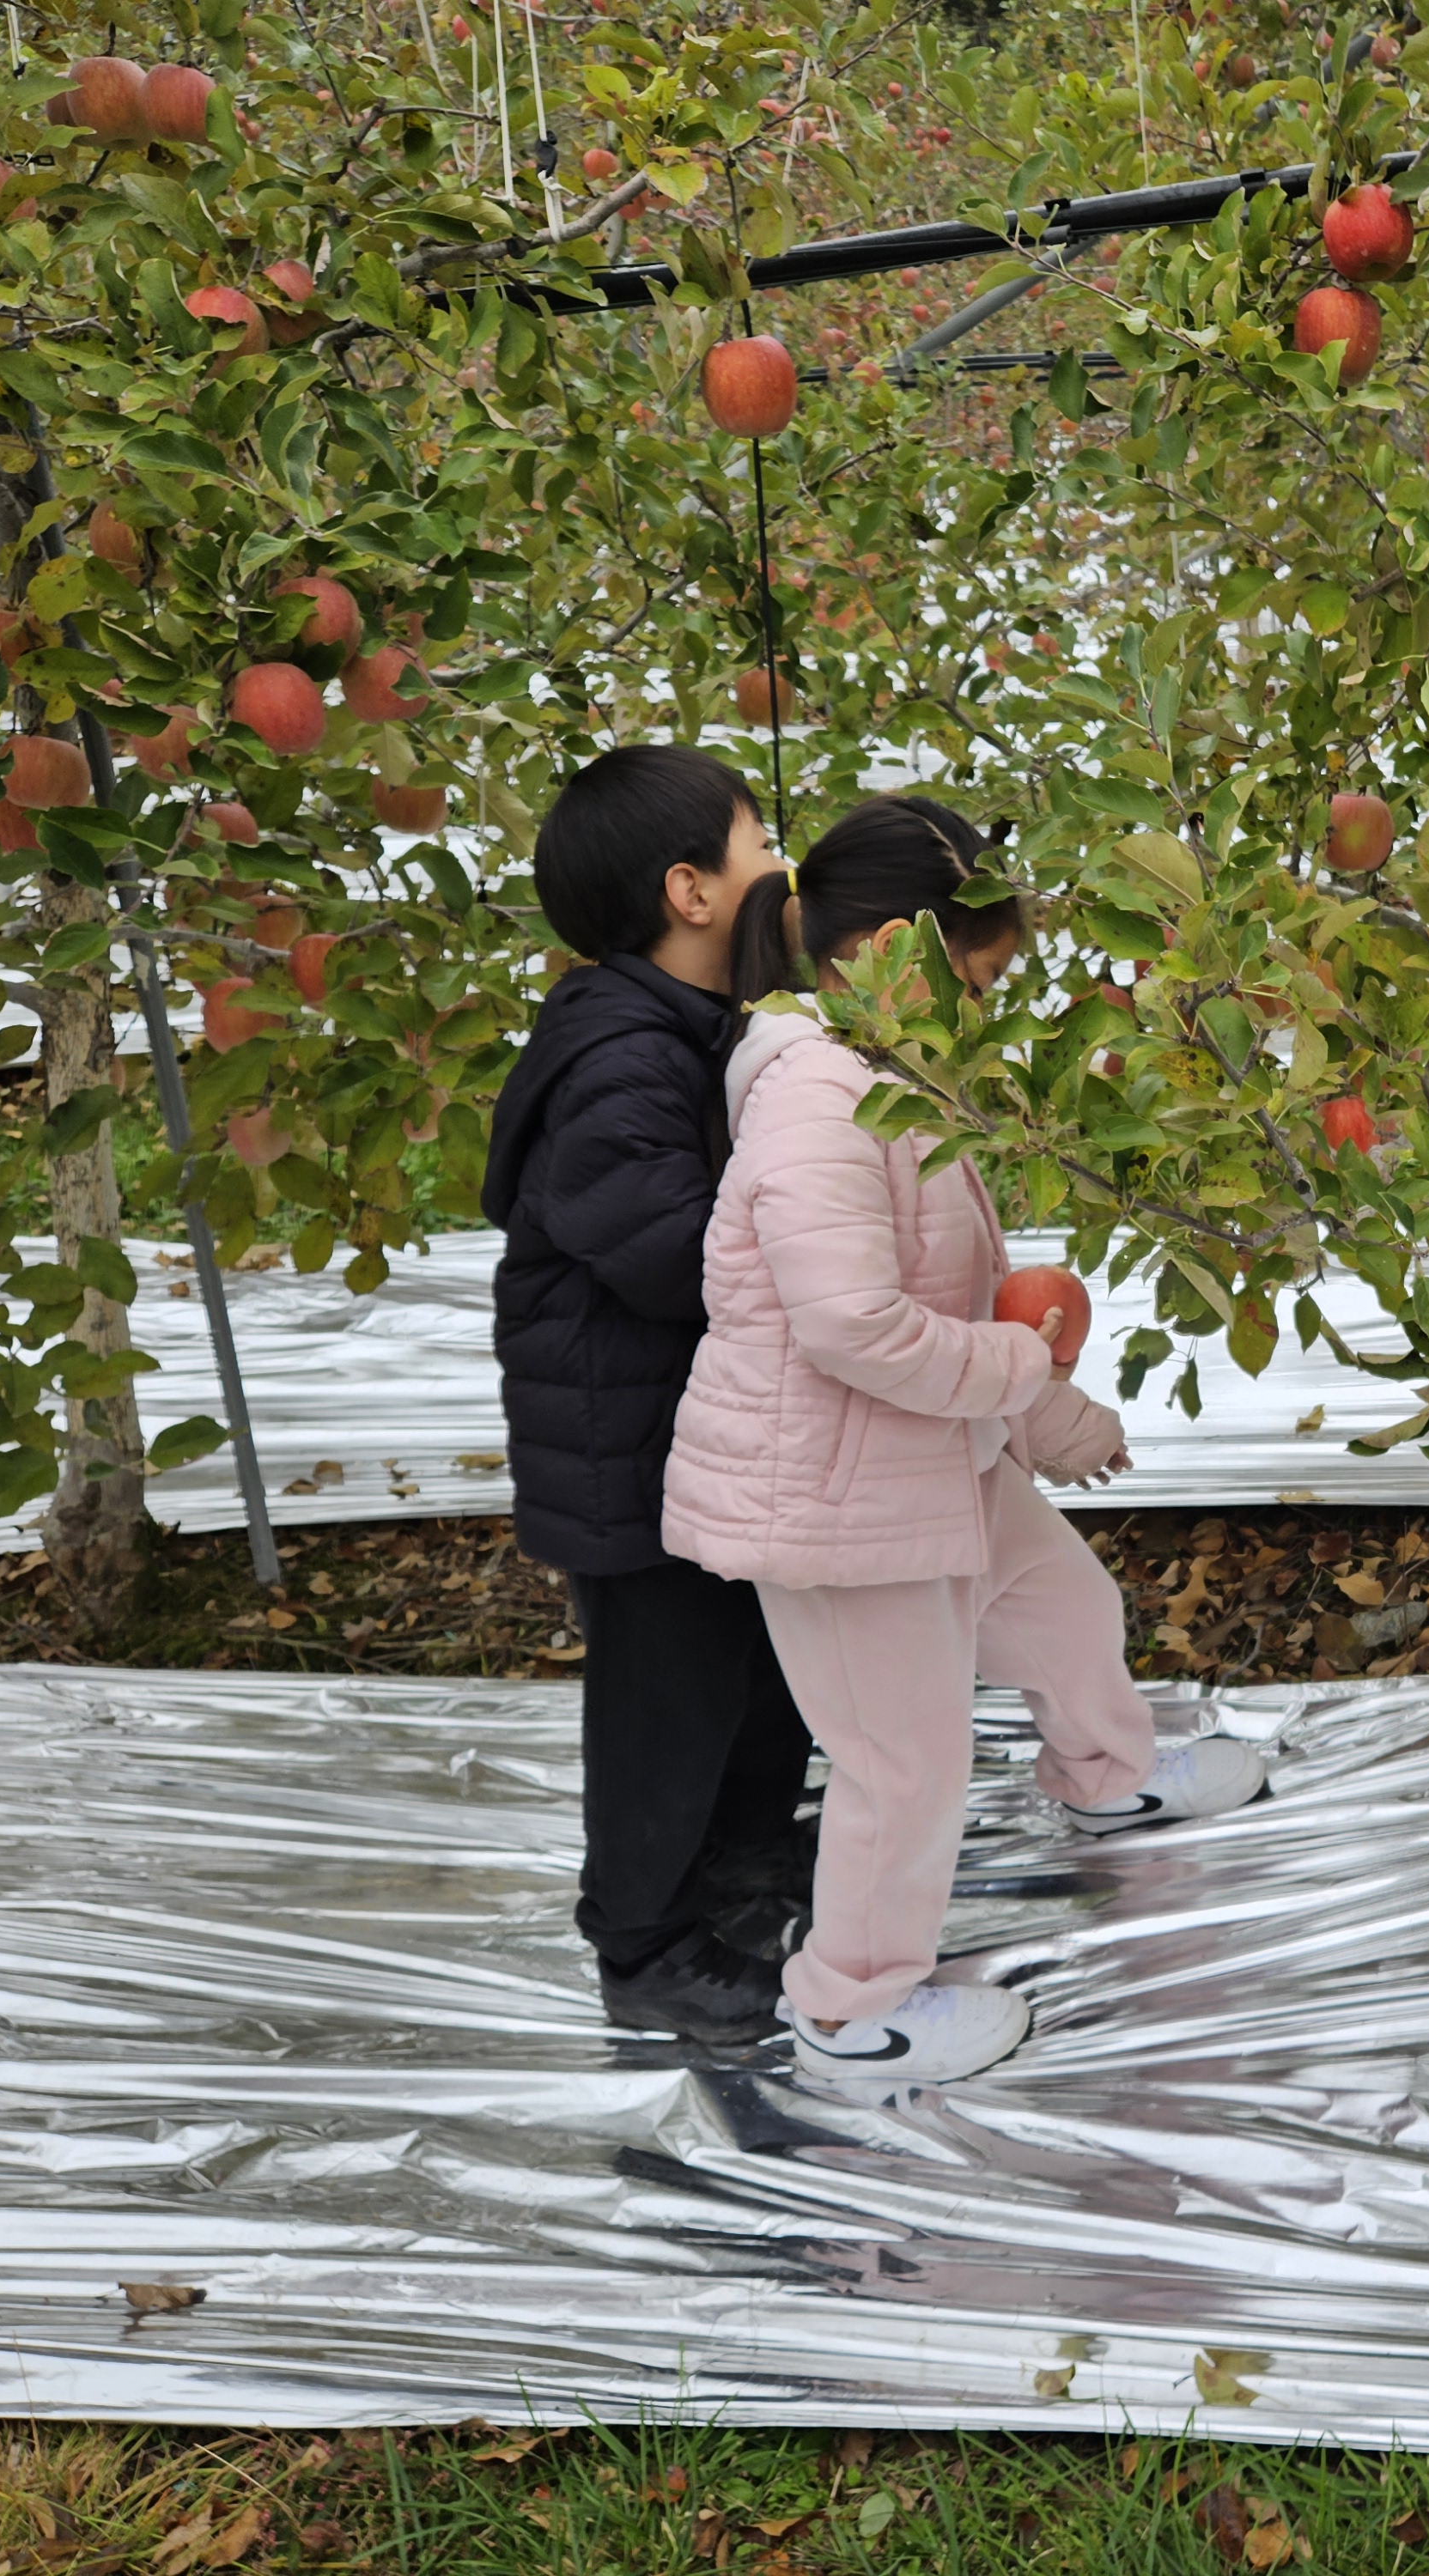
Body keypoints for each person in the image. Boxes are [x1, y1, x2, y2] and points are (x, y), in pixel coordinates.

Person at [664, 793, 1268, 2087]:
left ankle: (1108, 1773)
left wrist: (1046, 1413)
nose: (989, 1003)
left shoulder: (891, 1078)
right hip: (832, 1504)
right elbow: (853, 1329)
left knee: (1060, 1603)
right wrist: (1026, 1367)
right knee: (904, 1763)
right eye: (978, 973)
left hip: (927, 1458)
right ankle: (851, 2012)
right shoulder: (814, 1103)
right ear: (894, 950)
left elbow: (954, 1298)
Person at [483, 744, 817, 2044]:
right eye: (757, 838)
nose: (780, 860)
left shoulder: (697, 1028)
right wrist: (817, 1233)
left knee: (754, 1669)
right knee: (665, 1702)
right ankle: (642, 1937)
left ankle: (740, 1863)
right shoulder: (623, 1055)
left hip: (696, 1435)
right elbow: (678, 1258)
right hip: (626, 1448)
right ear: (690, 889)